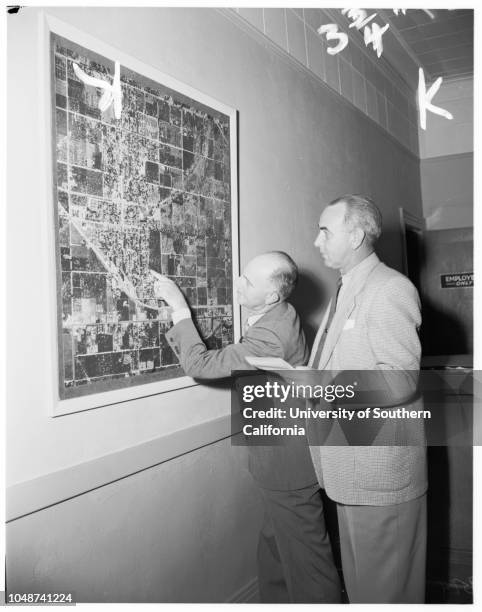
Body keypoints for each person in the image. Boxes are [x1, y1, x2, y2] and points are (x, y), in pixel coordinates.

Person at [151, 251, 341, 604]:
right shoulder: (279, 313)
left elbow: (200, 364)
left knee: (309, 567)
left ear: (271, 296)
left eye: (247, 282)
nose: (238, 283)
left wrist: (179, 306)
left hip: (288, 467)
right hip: (280, 462)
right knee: (275, 552)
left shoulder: (272, 335)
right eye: (243, 275)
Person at [309, 194, 427, 603]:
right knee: (365, 591)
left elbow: (400, 381)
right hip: (350, 468)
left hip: (380, 473)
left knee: (387, 593)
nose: (316, 240)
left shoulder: (390, 288)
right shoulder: (345, 290)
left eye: (325, 230)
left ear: (356, 234)